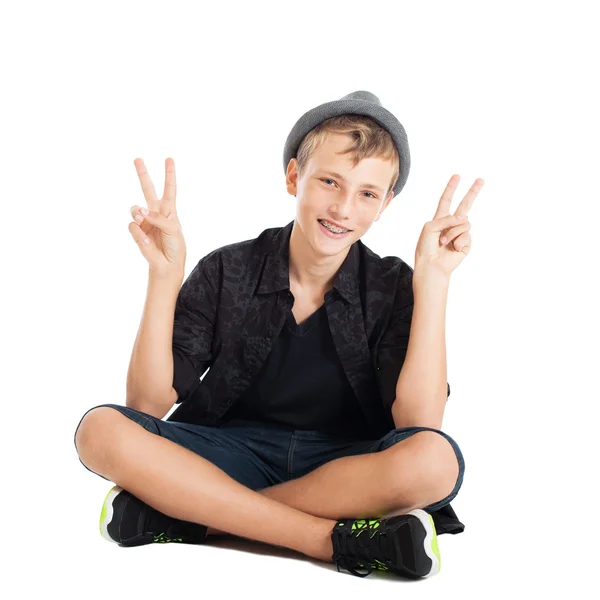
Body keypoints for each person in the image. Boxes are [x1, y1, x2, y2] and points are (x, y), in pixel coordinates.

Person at [73, 90, 483, 579]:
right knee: (100, 430)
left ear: (386, 203)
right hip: (227, 454)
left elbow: (419, 423)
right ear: (294, 177)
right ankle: (326, 540)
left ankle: (199, 518)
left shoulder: (394, 286)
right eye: (330, 182)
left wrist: (434, 282)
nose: (344, 208)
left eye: (367, 194)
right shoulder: (228, 269)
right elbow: (145, 404)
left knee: (435, 461)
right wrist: (164, 277)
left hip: (345, 469)